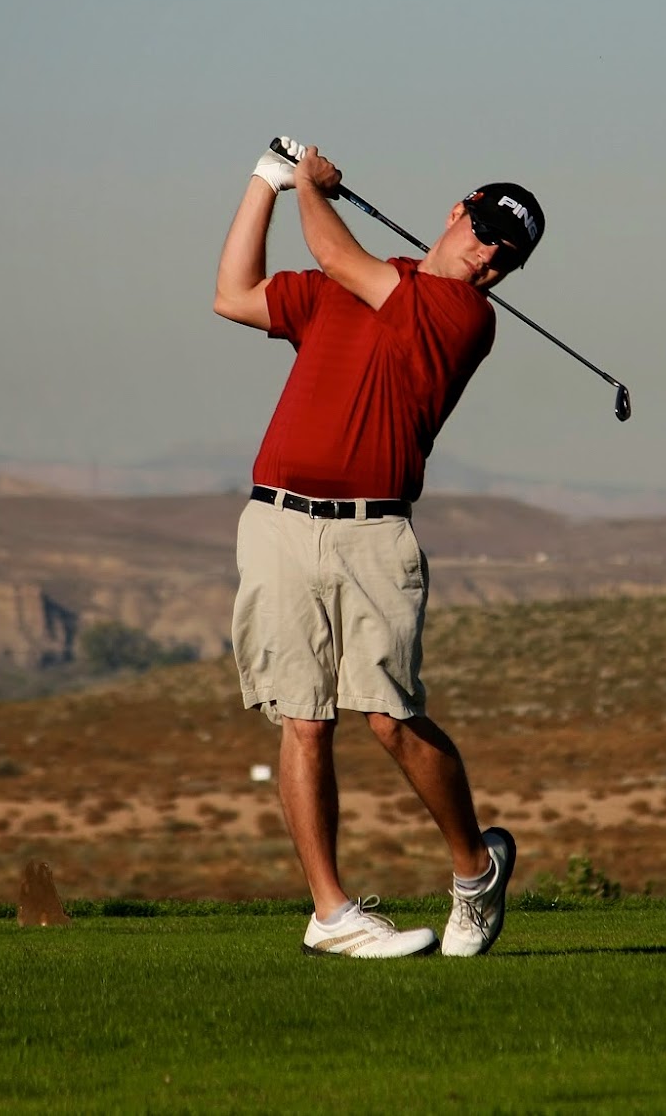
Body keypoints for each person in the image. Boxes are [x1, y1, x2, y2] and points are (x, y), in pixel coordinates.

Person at [212, 136, 543, 958]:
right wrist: (263, 182)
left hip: (374, 532)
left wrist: (310, 185)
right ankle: (330, 914)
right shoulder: (350, 283)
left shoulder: (463, 317)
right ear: (457, 213)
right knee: (302, 721)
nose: (489, 256)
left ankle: (475, 870)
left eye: (507, 255)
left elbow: (332, 248)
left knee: (391, 718)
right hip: (280, 522)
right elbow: (233, 294)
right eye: (485, 232)